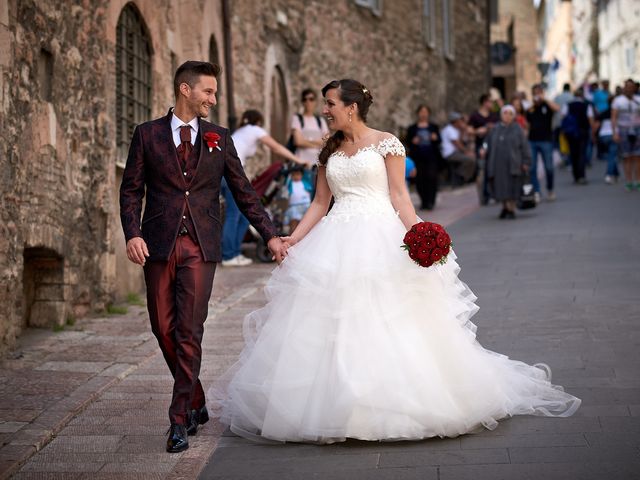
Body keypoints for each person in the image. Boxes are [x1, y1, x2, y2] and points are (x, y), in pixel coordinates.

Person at [212, 79, 580, 444]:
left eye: (330, 104)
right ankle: (334, 407)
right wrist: (295, 237)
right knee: (329, 321)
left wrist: (423, 236)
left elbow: (401, 199)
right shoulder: (329, 150)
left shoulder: (387, 143)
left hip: (381, 237)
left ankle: (399, 404)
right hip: (335, 241)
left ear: (351, 107)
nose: (325, 111)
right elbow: (320, 203)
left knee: (392, 316)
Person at [119, 61, 287, 453]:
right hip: (159, 242)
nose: (213, 98)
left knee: (190, 330)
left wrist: (271, 236)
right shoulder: (147, 135)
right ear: (185, 90)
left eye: (214, 92)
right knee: (163, 327)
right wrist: (133, 234)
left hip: (201, 244)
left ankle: (179, 419)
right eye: (208, 92)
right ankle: (195, 397)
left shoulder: (219, 137)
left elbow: (244, 191)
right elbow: (131, 190)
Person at [222, 110, 303, 267]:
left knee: (242, 215)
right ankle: (228, 255)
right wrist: (297, 160)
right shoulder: (255, 129)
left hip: (225, 173)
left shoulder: (241, 131)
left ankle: (234, 252)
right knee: (234, 214)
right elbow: (277, 148)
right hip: (228, 173)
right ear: (258, 121)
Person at [485, 105, 532, 219]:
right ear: (501, 115)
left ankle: (511, 208)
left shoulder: (518, 129)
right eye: (505, 113)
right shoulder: (495, 129)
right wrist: (483, 148)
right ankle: (505, 207)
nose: (507, 116)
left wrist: (526, 161)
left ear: (514, 116)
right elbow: (487, 142)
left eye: (510, 113)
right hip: (497, 163)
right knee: (500, 186)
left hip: (513, 163)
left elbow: (525, 147)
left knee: (513, 186)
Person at [290, 88, 330, 194]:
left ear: (315, 101)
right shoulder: (297, 119)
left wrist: (306, 141)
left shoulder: (320, 121)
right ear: (302, 102)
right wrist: (317, 142)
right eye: (305, 99)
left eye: (311, 99)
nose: (308, 102)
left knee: (317, 196)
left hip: (318, 166)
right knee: (303, 197)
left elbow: (327, 141)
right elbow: (298, 141)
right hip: (302, 166)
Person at [526, 84, 560, 202]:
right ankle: (537, 191)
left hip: (546, 140)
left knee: (549, 167)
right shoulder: (530, 108)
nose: (537, 95)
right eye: (535, 93)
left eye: (539, 93)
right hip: (532, 141)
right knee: (532, 168)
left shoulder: (547, 105)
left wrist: (544, 99)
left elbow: (557, 108)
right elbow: (527, 123)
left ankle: (550, 190)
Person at [405, 104, 442, 210]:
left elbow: (439, 140)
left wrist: (435, 138)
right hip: (417, 158)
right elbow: (408, 142)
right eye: (421, 112)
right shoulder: (412, 128)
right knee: (420, 179)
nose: (423, 114)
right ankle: (424, 201)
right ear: (418, 113)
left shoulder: (433, 127)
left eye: (425, 112)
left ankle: (431, 201)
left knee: (432, 178)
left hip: (431, 157)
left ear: (428, 113)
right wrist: (413, 141)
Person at [469, 94, 499, 204]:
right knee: (482, 170)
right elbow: (469, 130)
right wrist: (478, 131)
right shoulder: (475, 116)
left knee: (494, 170)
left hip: (494, 146)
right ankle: (484, 196)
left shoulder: (494, 115)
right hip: (481, 145)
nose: (492, 104)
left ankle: (495, 194)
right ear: (484, 102)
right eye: (490, 102)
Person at [611, 78, 640, 191]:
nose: (629, 89)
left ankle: (638, 180)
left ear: (634, 88)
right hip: (624, 130)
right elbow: (614, 117)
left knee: (637, 157)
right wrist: (614, 133)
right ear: (624, 88)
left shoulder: (638, 99)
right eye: (627, 86)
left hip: (637, 129)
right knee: (626, 157)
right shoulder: (618, 101)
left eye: (631, 86)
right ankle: (629, 181)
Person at [562, 88, 595, 184]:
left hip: (571, 133)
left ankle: (576, 176)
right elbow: (591, 119)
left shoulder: (568, 105)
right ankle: (581, 176)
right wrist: (592, 132)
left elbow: (563, 116)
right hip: (583, 132)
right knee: (582, 153)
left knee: (573, 154)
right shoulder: (586, 105)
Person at [441, 112, 476, 185]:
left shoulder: (456, 129)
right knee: (471, 159)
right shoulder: (449, 129)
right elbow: (457, 144)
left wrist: (462, 130)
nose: (461, 122)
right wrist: (467, 152)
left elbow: (461, 140)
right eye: (459, 120)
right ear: (455, 121)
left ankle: (462, 176)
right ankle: (462, 176)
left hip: (456, 152)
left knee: (472, 157)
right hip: (450, 153)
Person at [595, 97, 619, 184]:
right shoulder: (617, 113)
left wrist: (594, 136)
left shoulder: (603, 113)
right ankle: (609, 174)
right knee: (612, 156)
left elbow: (596, 125)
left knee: (611, 154)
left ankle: (616, 173)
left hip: (604, 136)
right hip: (613, 135)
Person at [283, 165, 313, 232]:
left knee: (306, 224)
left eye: (298, 174)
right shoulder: (290, 183)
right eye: (293, 175)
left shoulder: (305, 182)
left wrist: (305, 167)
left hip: (306, 205)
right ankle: (291, 239)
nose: (296, 176)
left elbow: (309, 175)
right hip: (294, 206)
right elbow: (286, 179)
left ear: (302, 175)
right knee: (293, 223)